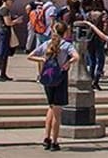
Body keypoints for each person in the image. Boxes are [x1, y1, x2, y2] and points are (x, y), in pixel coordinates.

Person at [27, 21, 79, 151]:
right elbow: (77, 57)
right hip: (60, 79)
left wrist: (42, 60)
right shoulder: (66, 45)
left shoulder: (46, 44)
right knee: (57, 111)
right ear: (65, 32)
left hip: (48, 78)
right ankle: (55, 141)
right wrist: (68, 62)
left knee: (50, 107)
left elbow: (30, 56)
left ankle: (46, 138)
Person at [0, 0, 23, 81]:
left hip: (4, 32)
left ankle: (2, 73)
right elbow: (8, 23)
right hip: (4, 32)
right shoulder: (4, 10)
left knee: (5, 54)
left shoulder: (4, 10)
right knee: (2, 53)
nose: (12, 3)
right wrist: (16, 21)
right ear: (6, 1)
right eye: (11, 1)